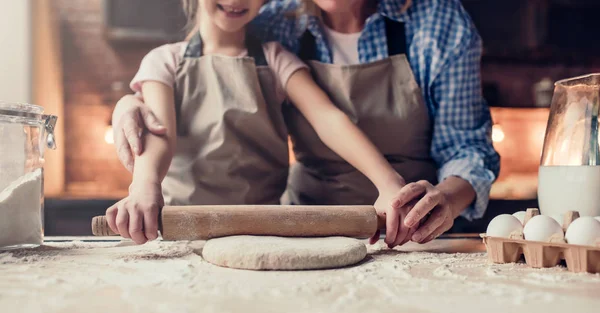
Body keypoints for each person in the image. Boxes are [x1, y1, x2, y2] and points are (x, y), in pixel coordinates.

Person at [111, 0, 500, 247]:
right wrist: (131, 104)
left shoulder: (438, 21)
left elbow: (329, 119)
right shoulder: (278, 19)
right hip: (302, 228)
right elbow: (165, 120)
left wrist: (406, 192)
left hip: (408, 227)